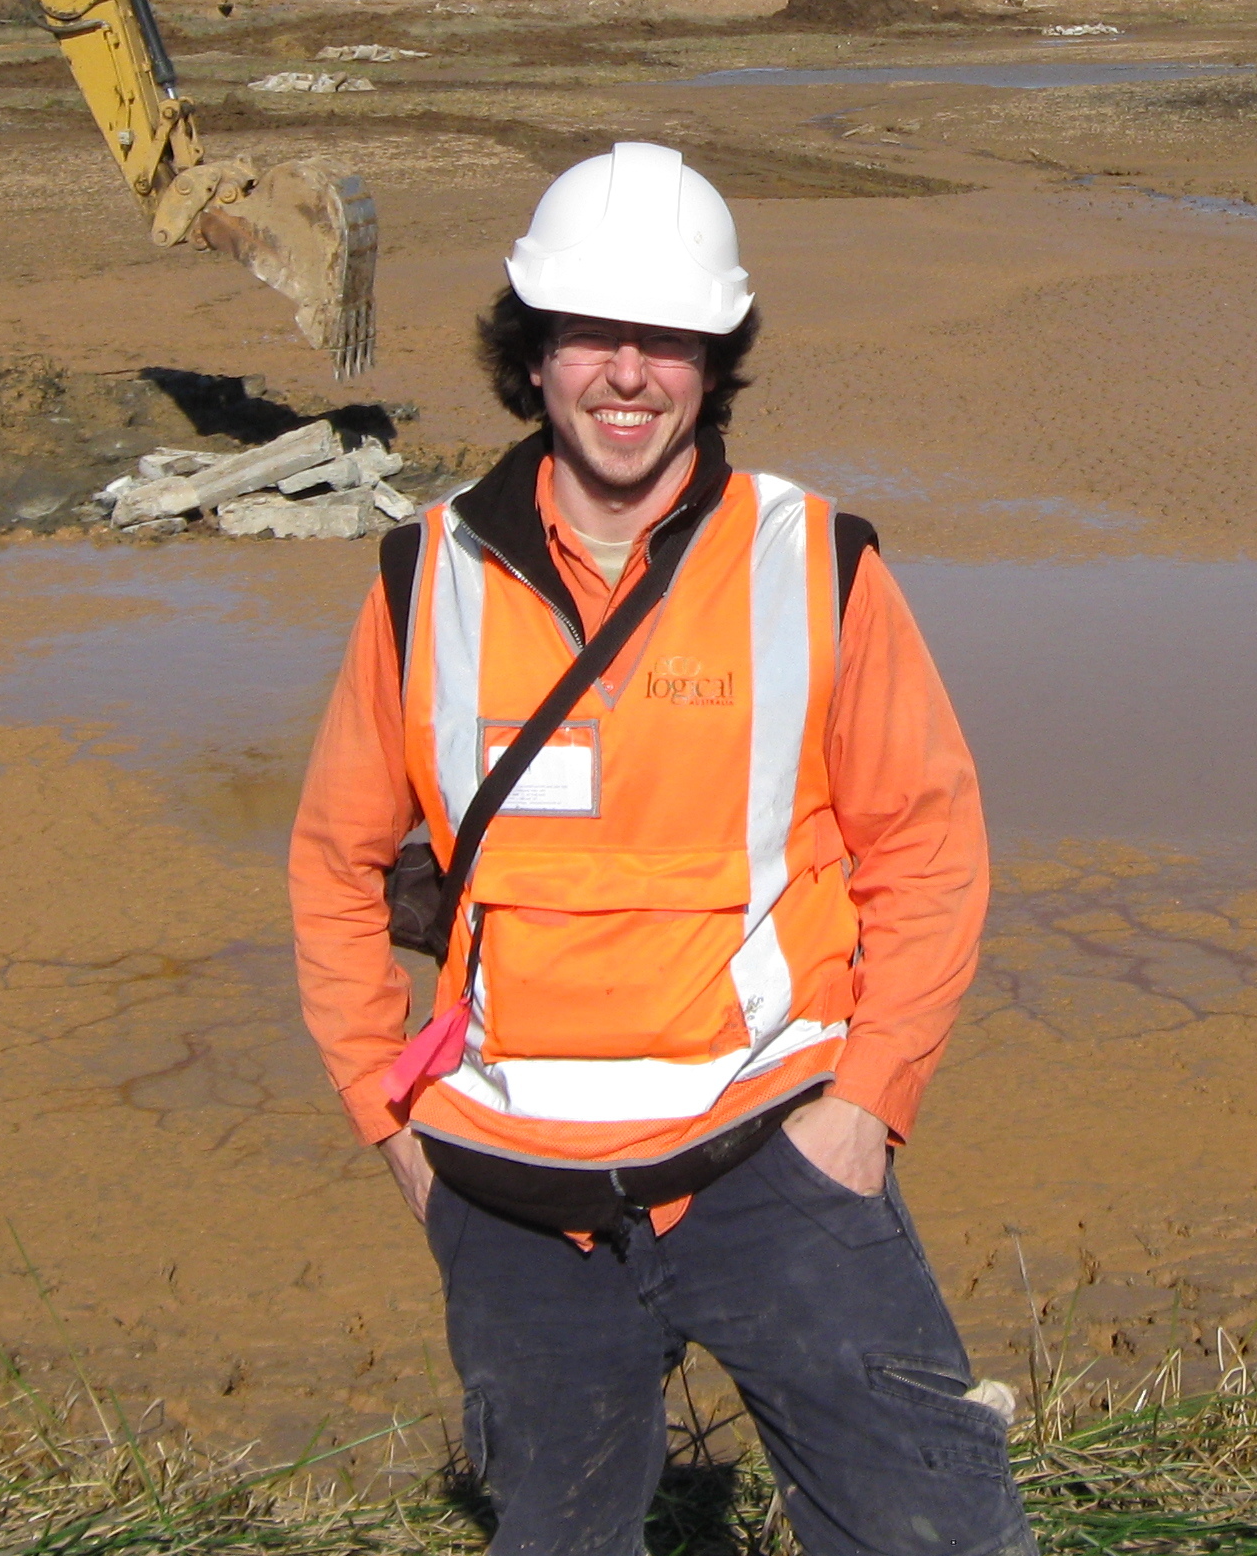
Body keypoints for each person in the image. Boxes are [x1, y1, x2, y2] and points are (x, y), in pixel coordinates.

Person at [289, 141, 1030, 1556]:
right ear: (535, 353)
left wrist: (865, 1108)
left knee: (934, 1532)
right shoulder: (422, 580)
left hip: (777, 1172)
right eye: (592, 336)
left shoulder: (817, 561)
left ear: (713, 357)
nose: (628, 375)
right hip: (507, 1206)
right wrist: (390, 1129)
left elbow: (929, 852)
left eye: (667, 341)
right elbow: (334, 868)